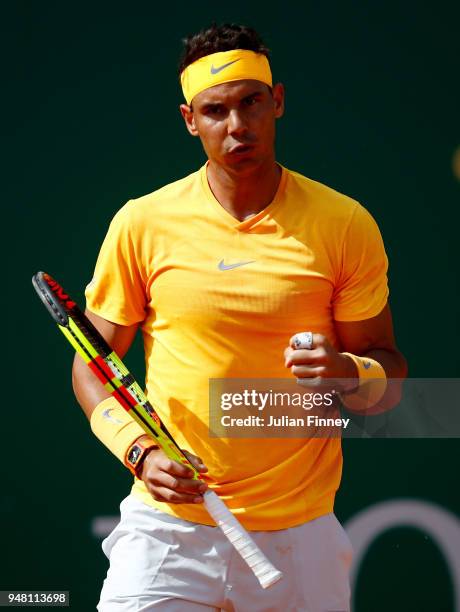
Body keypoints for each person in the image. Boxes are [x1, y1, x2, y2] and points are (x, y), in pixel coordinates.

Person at [73, 23, 407, 612]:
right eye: (215, 110)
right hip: (168, 531)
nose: (237, 126)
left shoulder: (344, 223)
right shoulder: (141, 223)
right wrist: (138, 452)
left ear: (277, 100)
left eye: (251, 102)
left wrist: (346, 372)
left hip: (299, 535)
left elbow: (389, 380)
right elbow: (91, 365)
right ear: (189, 120)